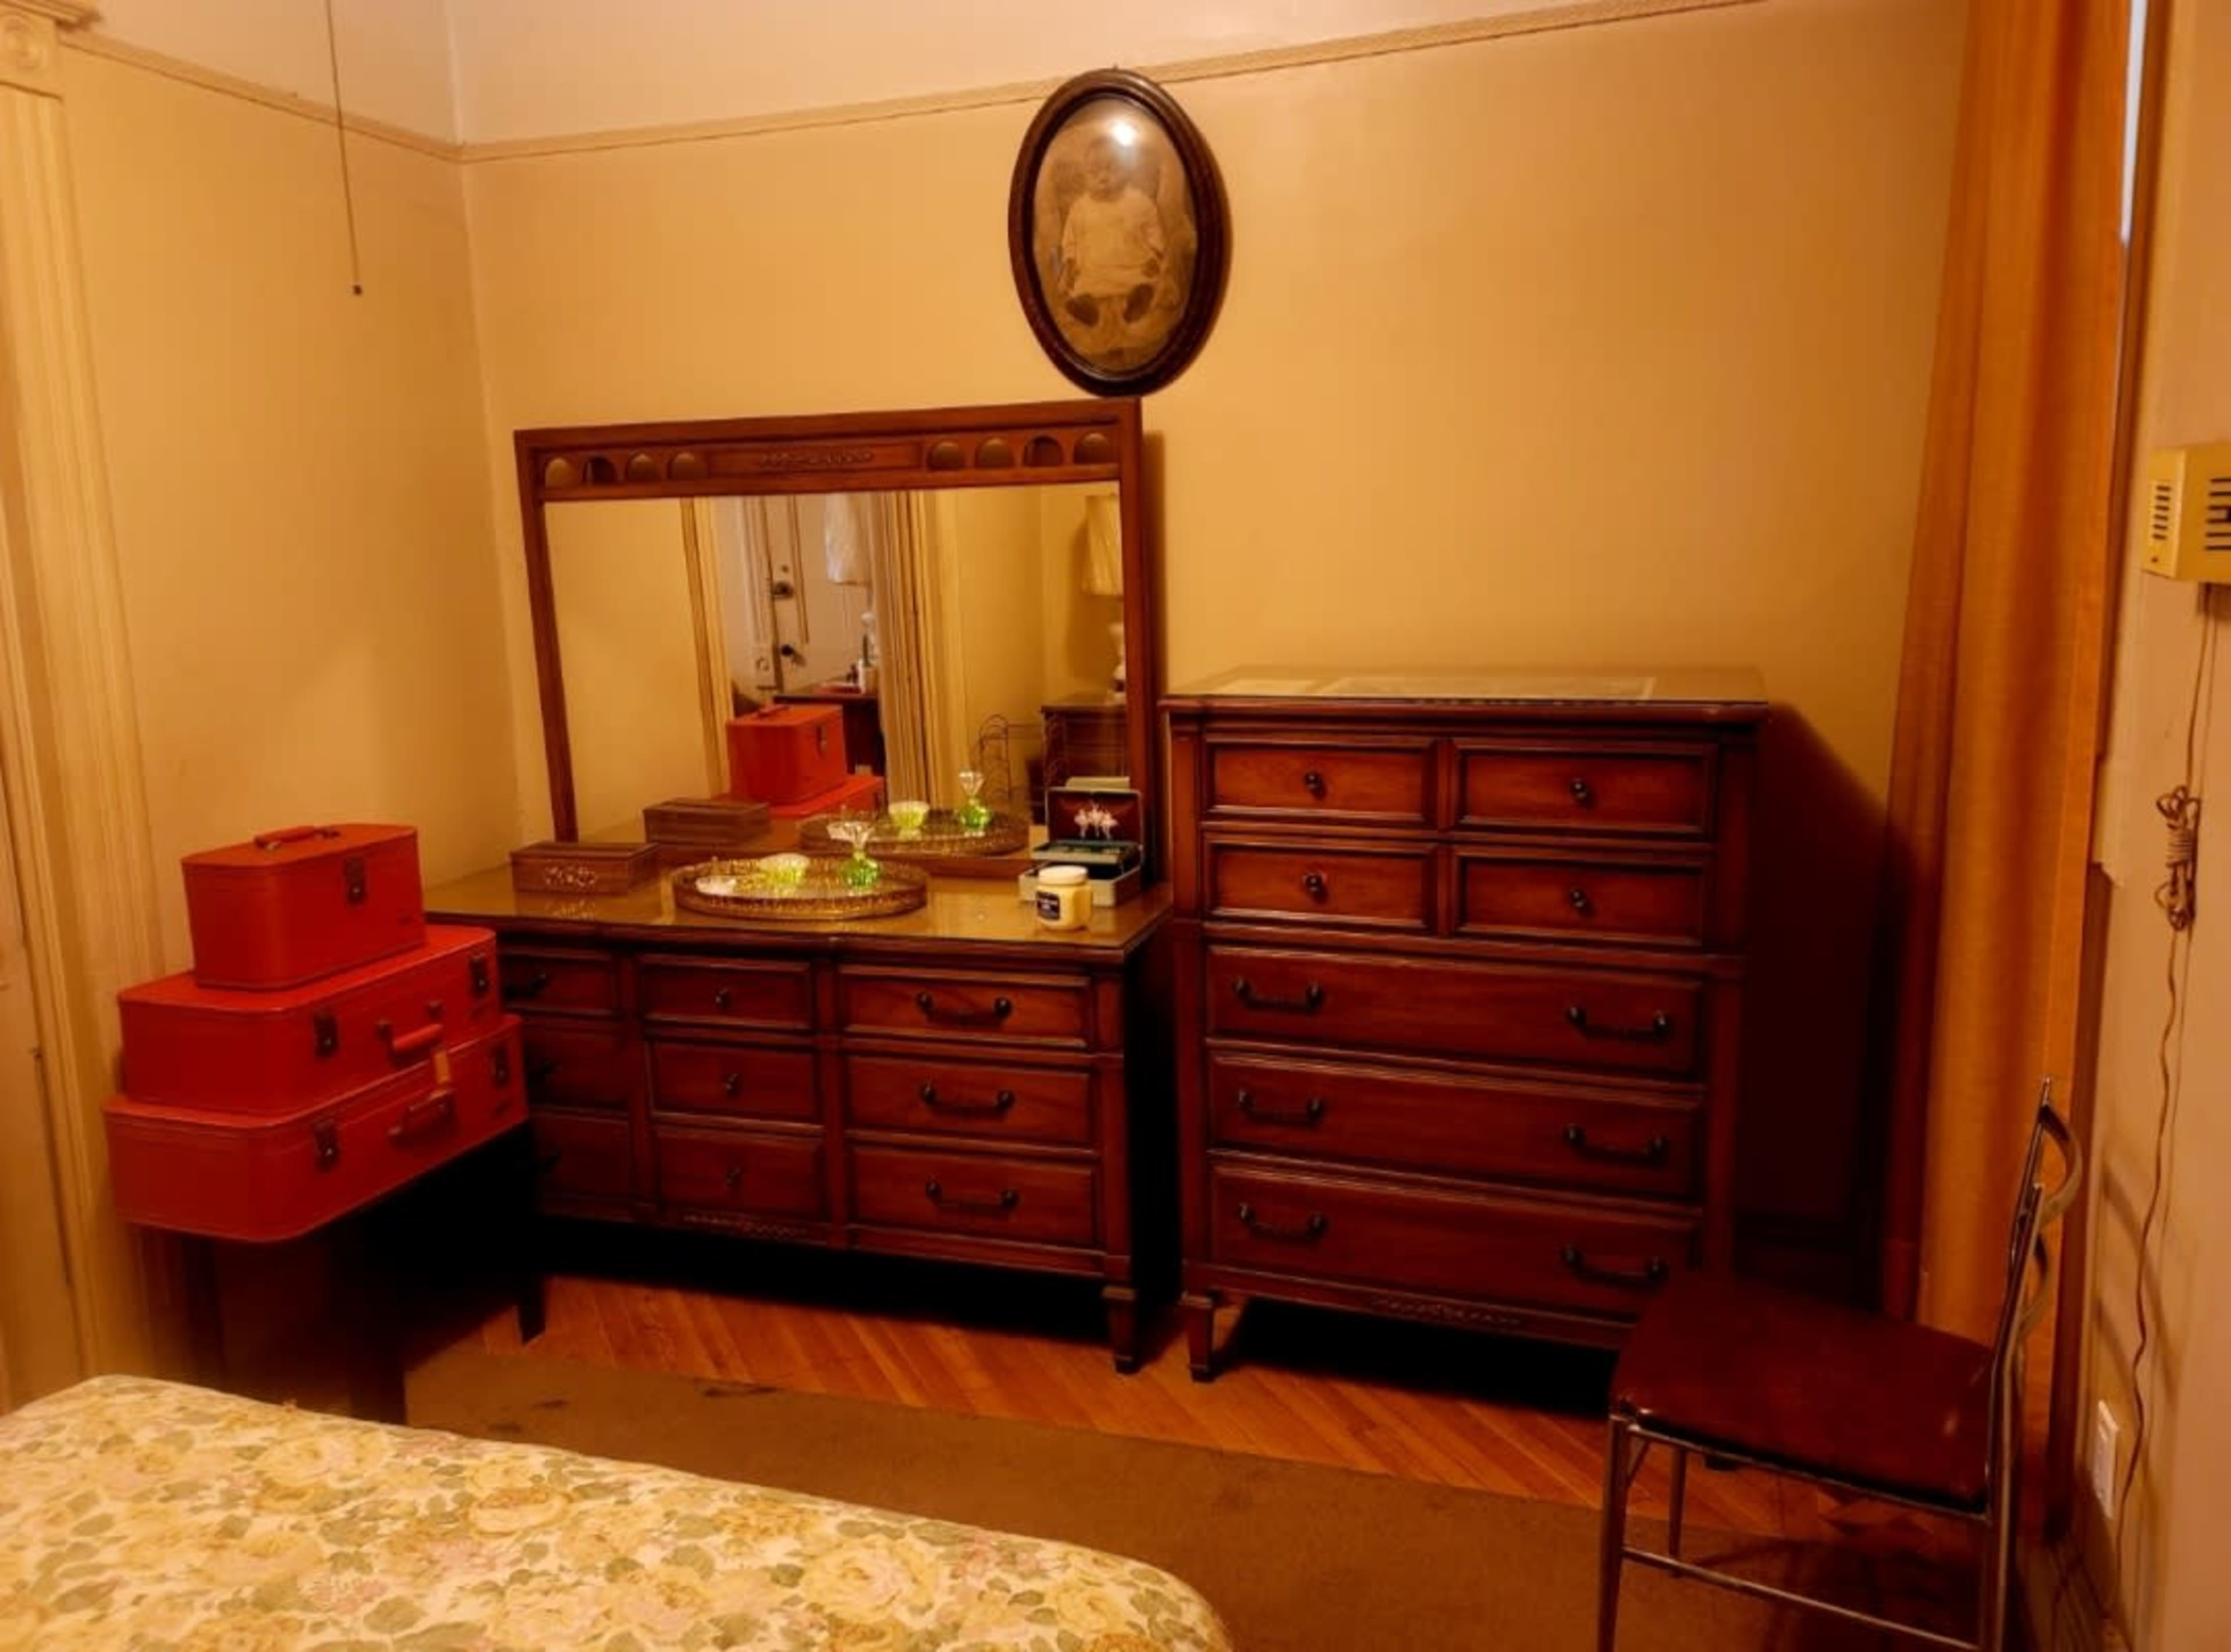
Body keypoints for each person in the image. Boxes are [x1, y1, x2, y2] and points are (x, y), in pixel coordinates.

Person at [1056, 132, 1166, 354]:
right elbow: (1071, 239)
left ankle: (1137, 300)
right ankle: (1087, 308)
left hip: (1132, 266)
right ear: (1084, 177)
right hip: (1094, 270)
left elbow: (1154, 228)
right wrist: (1069, 263)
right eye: (1094, 173)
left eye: (1112, 169)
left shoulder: (1138, 201)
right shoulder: (1079, 208)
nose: (1104, 178)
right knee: (1084, 286)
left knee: (1142, 281)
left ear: (1126, 170)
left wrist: (1155, 254)